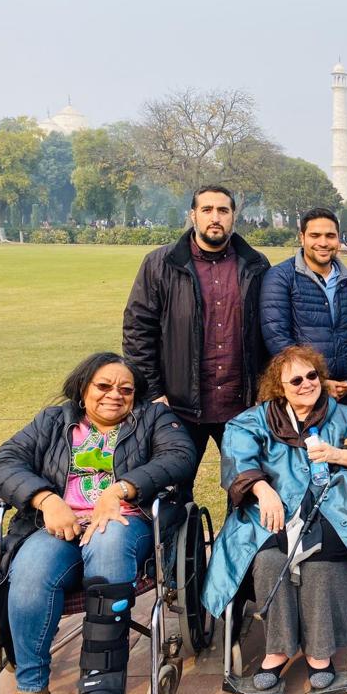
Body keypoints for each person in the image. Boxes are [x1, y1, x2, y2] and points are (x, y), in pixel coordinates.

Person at [0, 353, 196, 694]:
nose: (114, 395)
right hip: (57, 525)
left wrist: (120, 489)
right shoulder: (52, 421)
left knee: (108, 540)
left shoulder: (153, 418)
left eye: (126, 389)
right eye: (104, 386)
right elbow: (2, 463)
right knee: (31, 568)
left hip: (125, 520)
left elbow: (180, 456)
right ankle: (32, 690)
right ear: (83, 388)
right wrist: (46, 499)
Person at [201, 345, 347, 693]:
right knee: (270, 559)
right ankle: (278, 650)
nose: (306, 384)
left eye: (312, 375)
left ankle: (319, 654)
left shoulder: (346, 418)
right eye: (296, 380)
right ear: (279, 387)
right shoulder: (253, 421)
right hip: (269, 511)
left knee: (322, 557)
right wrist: (262, 489)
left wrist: (338, 454)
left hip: (334, 508)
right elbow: (237, 458)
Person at [122, 184, 270, 484]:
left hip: (241, 405)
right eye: (207, 210)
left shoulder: (255, 265)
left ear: (233, 216)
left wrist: (264, 390)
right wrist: (153, 392)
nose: (215, 217)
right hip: (179, 405)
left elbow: (268, 331)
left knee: (248, 488)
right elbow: (138, 331)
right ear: (193, 215)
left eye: (223, 210)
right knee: (173, 489)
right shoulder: (160, 264)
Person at [260, 207, 347, 404]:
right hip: (300, 393)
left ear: (338, 239)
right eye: (315, 235)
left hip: (342, 394)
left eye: (330, 236)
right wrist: (318, 382)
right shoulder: (281, 278)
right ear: (302, 238)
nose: (323, 243)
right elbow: (277, 337)